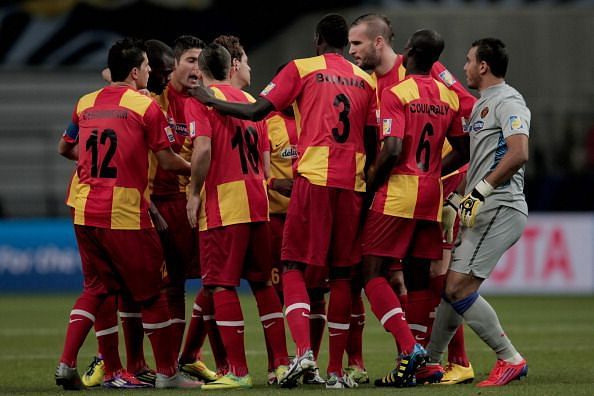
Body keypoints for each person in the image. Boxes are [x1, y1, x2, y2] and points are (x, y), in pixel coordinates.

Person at [190, 14, 378, 389]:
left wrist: (209, 99)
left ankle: (303, 353)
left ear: (317, 39)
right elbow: (373, 142)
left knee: (291, 265)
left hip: (313, 181)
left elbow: (256, 109)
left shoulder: (302, 68)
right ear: (345, 43)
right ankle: (338, 372)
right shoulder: (366, 79)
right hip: (352, 184)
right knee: (341, 277)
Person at [54, 37, 198, 390]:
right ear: (135, 72)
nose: (151, 72)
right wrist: (198, 170)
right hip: (124, 213)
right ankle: (167, 373)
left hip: (85, 209)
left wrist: (99, 166)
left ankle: (69, 365)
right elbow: (165, 159)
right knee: (151, 294)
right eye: (148, 66)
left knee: (96, 289)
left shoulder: (85, 102)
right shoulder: (145, 107)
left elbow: (65, 147)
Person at [349, 13, 476, 384]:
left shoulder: (396, 90)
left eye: (356, 43)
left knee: (370, 272)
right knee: (423, 276)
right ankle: (428, 362)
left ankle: (412, 349)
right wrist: (435, 169)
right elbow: (465, 143)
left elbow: (390, 148)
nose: (351, 51)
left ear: (396, 48)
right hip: (430, 193)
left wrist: (371, 183)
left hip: (399, 192)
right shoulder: (446, 94)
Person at [425, 38, 530, 388]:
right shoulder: (483, 105)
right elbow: (480, 160)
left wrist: (480, 194)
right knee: (453, 289)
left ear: (483, 66)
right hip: (483, 207)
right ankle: (430, 363)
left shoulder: (509, 101)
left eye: (469, 61)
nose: (466, 66)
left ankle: (510, 358)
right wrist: (458, 197)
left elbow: (518, 153)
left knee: (457, 287)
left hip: (500, 206)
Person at [185, 43, 289, 390]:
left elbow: (202, 149)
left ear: (201, 71)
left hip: (224, 205)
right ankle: (280, 365)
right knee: (263, 284)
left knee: (220, 284)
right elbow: (262, 163)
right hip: (257, 200)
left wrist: (195, 191)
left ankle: (238, 370)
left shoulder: (200, 101)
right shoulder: (250, 102)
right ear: (230, 66)